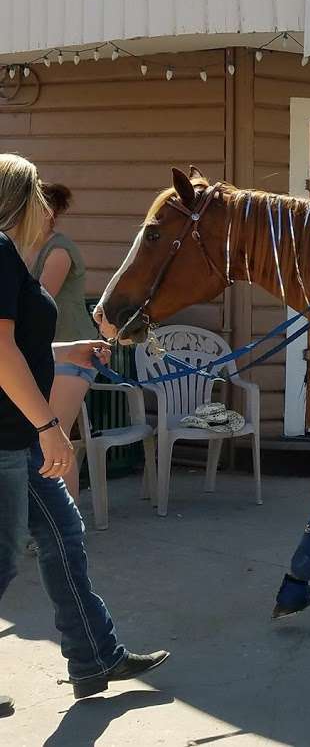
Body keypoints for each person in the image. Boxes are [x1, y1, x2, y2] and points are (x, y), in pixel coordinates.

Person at [0, 154, 168, 714]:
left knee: (63, 536)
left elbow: (16, 345)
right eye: (40, 196)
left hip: (15, 436)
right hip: (8, 437)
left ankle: (94, 656)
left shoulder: (14, 259)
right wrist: (49, 428)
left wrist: (64, 350)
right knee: (5, 557)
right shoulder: (0, 253)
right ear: (21, 200)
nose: (47, 208)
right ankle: (95, 655)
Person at [28, 183, 98, 504]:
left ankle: (66, 521)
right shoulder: (21, 247)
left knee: (56, 435)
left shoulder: (58, 250)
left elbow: (37, 303)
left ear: (49, 211)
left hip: (75, 353)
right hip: (43, 354)